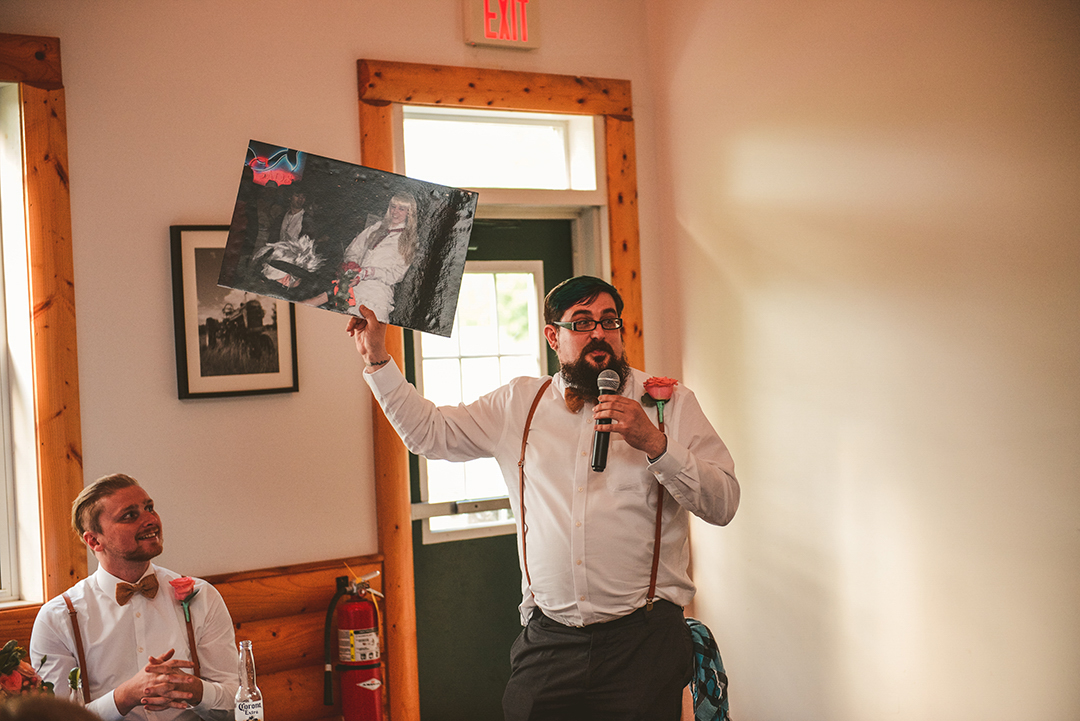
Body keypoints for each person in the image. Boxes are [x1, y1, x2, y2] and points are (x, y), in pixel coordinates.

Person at [347, 275, 740, 721]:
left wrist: (656, 444)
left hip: (643, 643)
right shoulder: (520, 404)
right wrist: (378, 359)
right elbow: (431, 435)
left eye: (609, 322)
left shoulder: (669, 404)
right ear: (553, 336)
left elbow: (724, 503)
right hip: (550, 642)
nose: (599, 333)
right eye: (583, 322)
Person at [29, 474, 237, 721]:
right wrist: (123, 697)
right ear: (94, 540)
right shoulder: (58, 617)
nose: (150, 520)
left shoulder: (202, 595)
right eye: (130, 515)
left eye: (149, 508)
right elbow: (55, 718)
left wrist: (197, 691)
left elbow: (236, 700)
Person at [341, 193, 418, 321]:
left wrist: (367, 272)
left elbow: (397, 274)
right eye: (393, 206)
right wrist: (352, 264)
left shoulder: (409, 240)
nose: (395, 212)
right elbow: (353, 249)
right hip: (354, 289)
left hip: (378, 296)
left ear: (409, 213)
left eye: (401, 209)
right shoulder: (376, 227)